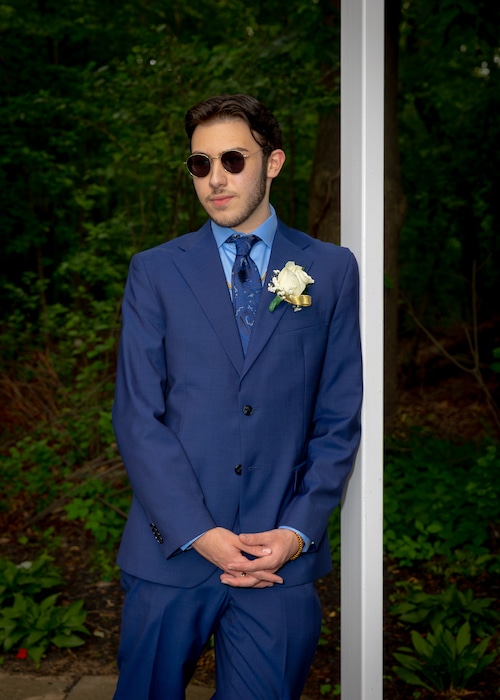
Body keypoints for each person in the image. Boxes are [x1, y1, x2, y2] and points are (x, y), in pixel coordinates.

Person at [111, 93, 362, 700]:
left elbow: (338, 418)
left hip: (278, 563)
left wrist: (295, 532)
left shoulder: (330, 270)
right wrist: (200, 532)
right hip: (171, 554)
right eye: (200, 164)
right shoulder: (155, 271)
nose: (215, 179)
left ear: (273, 162)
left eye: (232, 159)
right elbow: (137, 417)